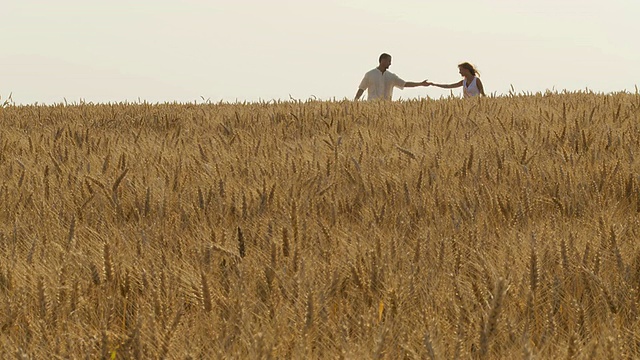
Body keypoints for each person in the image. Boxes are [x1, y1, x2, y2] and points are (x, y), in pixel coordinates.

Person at [355, 53, 429, 101]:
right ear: (382, 61)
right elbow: (361, 88)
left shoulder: (391, 76)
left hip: (386, 108)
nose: (390, 63)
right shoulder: (370, 74)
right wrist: (355, 101)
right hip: (371, 107)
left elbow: (405, 84)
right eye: (389, 61)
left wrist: (420, 84)